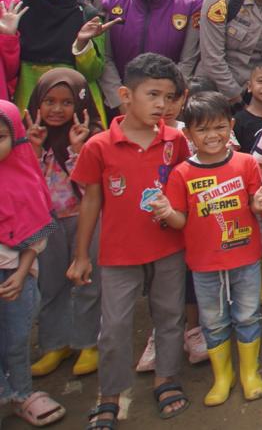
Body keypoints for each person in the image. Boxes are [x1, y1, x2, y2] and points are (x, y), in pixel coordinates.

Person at [68, 54, 192, 425]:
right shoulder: (99, 146)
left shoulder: (175, 140)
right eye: (152, 94)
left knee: (170, 316)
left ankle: (166, 379)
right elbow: (91, 201)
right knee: (115, 327)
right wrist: (81, 256)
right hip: (118, 253)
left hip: (169, 247)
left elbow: (185, 188)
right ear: (125, 95)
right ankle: (110, 395)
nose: (161, 105)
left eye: (168, 97)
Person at [151, 92, 262, 406]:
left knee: (248, 315)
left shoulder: (246, 163)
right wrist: (167, 212)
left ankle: (249, 373)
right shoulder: (181, 173)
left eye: (219, 127)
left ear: (230, 126)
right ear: (188, 134)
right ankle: (222, 377)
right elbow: (180, 221)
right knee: (213, 321)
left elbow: (256, 205)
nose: (212, 135)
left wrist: (260, 205)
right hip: (203, 263)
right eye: (202, 129)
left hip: (246, 257)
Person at [24, 69, 103, 380]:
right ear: (37, 103)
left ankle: (88, 342)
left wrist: (77, 150)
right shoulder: (27, 138)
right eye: (49, 101)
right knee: (51, 282)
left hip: (86, 218)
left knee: (88, 281)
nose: (57, 109)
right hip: (46, 221)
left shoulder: (93, 139)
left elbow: (93, 187)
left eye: (67, 102)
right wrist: (33, 149)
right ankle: (56, 344)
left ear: (81, 105)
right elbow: (24, 186)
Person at [0, 99, 65, 428]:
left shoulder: (23, 178)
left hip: (15, 276)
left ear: (15, 137)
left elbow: (35, 229)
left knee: (16, 337)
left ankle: (21, 393)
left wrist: (21, 272)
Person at [15, 0, 113, 125]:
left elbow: (93, 72)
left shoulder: (88, 16)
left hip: (78, 113)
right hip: (29, 111)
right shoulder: (16, 15)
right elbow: (8, 72)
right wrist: (8, 36)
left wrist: (82, 43)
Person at [98, 0, 202, 110]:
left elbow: (188, 60)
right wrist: (120, 101)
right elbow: (106, 57)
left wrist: (166, 99)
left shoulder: (191, 4)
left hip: (168, 105)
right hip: (122, 103)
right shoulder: (114, 2)